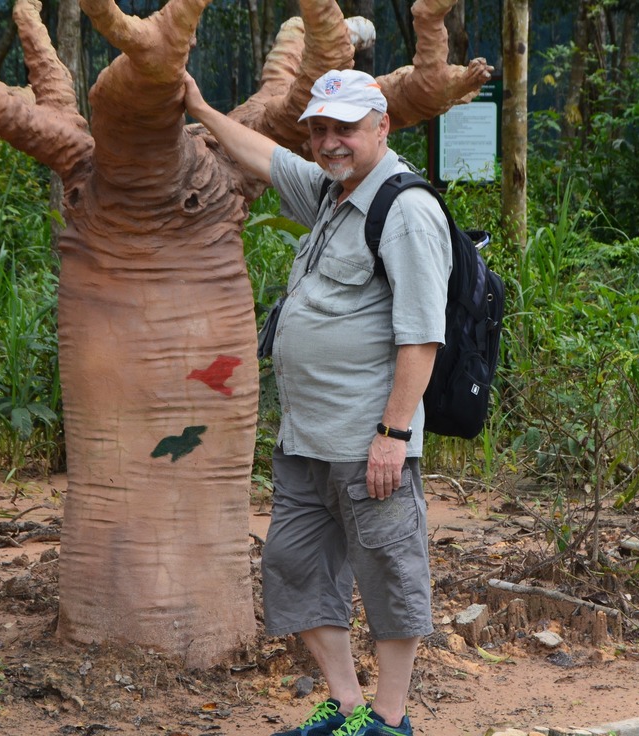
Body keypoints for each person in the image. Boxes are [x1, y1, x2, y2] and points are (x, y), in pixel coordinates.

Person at [184, 68, 452, 736]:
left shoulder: (405, 211)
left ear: (381, 126)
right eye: (320, 130)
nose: (331, 142)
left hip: (368, 439)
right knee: (293, 565)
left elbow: (422, 337)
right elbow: (265, 157)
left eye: (346, 129)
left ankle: (389, 718)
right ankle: (348, 704)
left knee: (388, 572)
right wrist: (196, 105)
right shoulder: (334, 194)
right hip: (304, 436)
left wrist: (393, 432)